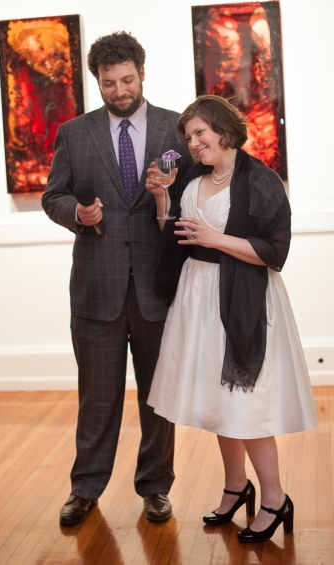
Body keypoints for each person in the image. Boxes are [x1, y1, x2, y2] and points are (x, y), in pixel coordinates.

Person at [146, 95, 317, 543]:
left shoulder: (261, 181)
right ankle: (235, 487)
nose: (194, 142)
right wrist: (163, 198)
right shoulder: (194, 178)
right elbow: (181, 238)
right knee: (220, 404)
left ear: (223, 128)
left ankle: (275, 498)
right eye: (188, 137)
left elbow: (273, 252)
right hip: (198, 299)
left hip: (242, 300)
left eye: (200, 132)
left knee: (245, 406)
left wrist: (216, 238)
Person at [41, 31, 189, 526]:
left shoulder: (176, 128)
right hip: (96, 290)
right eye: (109, 84)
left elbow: (195, 192)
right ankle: (85, 488)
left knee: (158, 397)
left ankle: (155, 488)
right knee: (97, 397)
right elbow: (52, 197)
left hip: (158, 289)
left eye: (127, 80)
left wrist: (170, 194)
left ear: (142, 73)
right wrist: (78, 215)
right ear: (96, 82)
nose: (119, 91)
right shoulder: (73, 132)